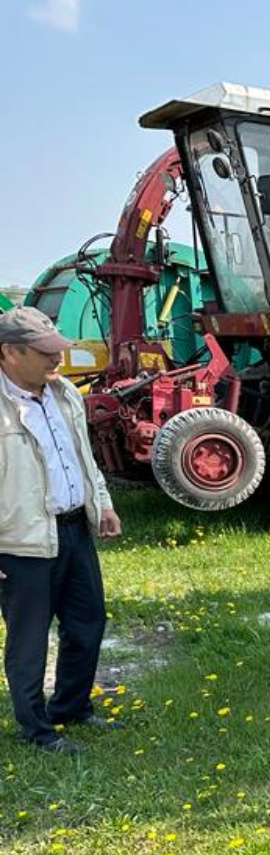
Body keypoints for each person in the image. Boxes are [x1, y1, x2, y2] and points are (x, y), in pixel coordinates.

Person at [0, 307, 122, 755]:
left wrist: (102, 502)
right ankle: (36, 729)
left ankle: (70, 707)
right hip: (20, 542)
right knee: (28, 641)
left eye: (58, 349)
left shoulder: (64, 392)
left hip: (73, 530)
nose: (57, 360)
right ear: (9, 352)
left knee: (87, 623)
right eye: (45, 352)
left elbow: (83, 458)